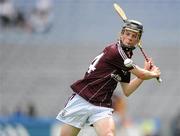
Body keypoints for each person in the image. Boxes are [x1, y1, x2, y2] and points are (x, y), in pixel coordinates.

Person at [56, 19, 161, 136]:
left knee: (109, 134)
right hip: (83, 99)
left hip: (101, 105)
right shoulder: (116, 52)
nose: (130, 38)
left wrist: (146, 72)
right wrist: (154, 73)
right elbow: (141, 74)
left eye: (134, 36)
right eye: (127, 34)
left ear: (138, 40)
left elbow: (127, 90)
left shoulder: (126, 60)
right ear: (121, 35)